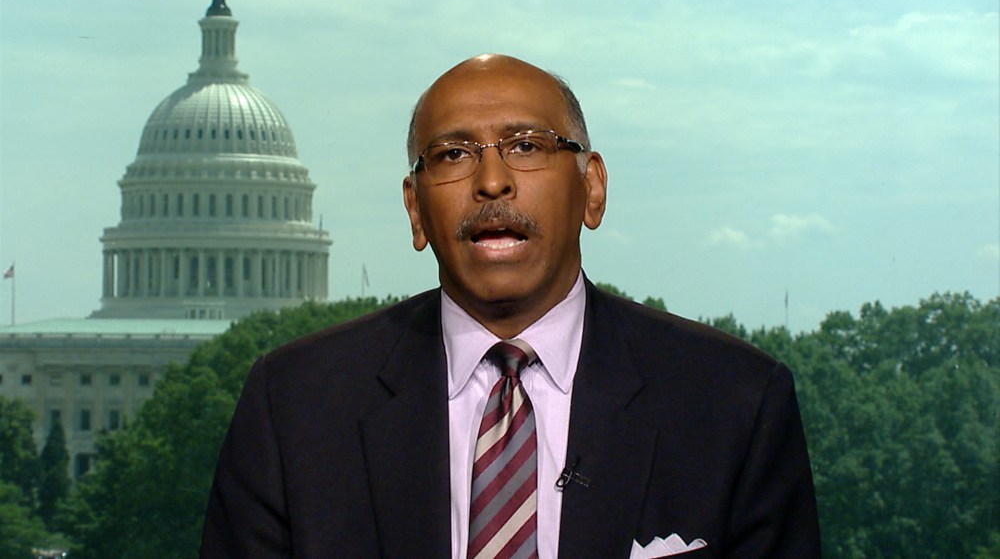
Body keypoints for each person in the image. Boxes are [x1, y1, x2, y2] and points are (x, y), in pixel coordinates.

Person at [200, 54, 821, 558]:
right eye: (453, 154)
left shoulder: (734, 401)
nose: (492, 182)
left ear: (592, 188)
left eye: (526, 146)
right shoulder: (294, 406)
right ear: (415, 209)